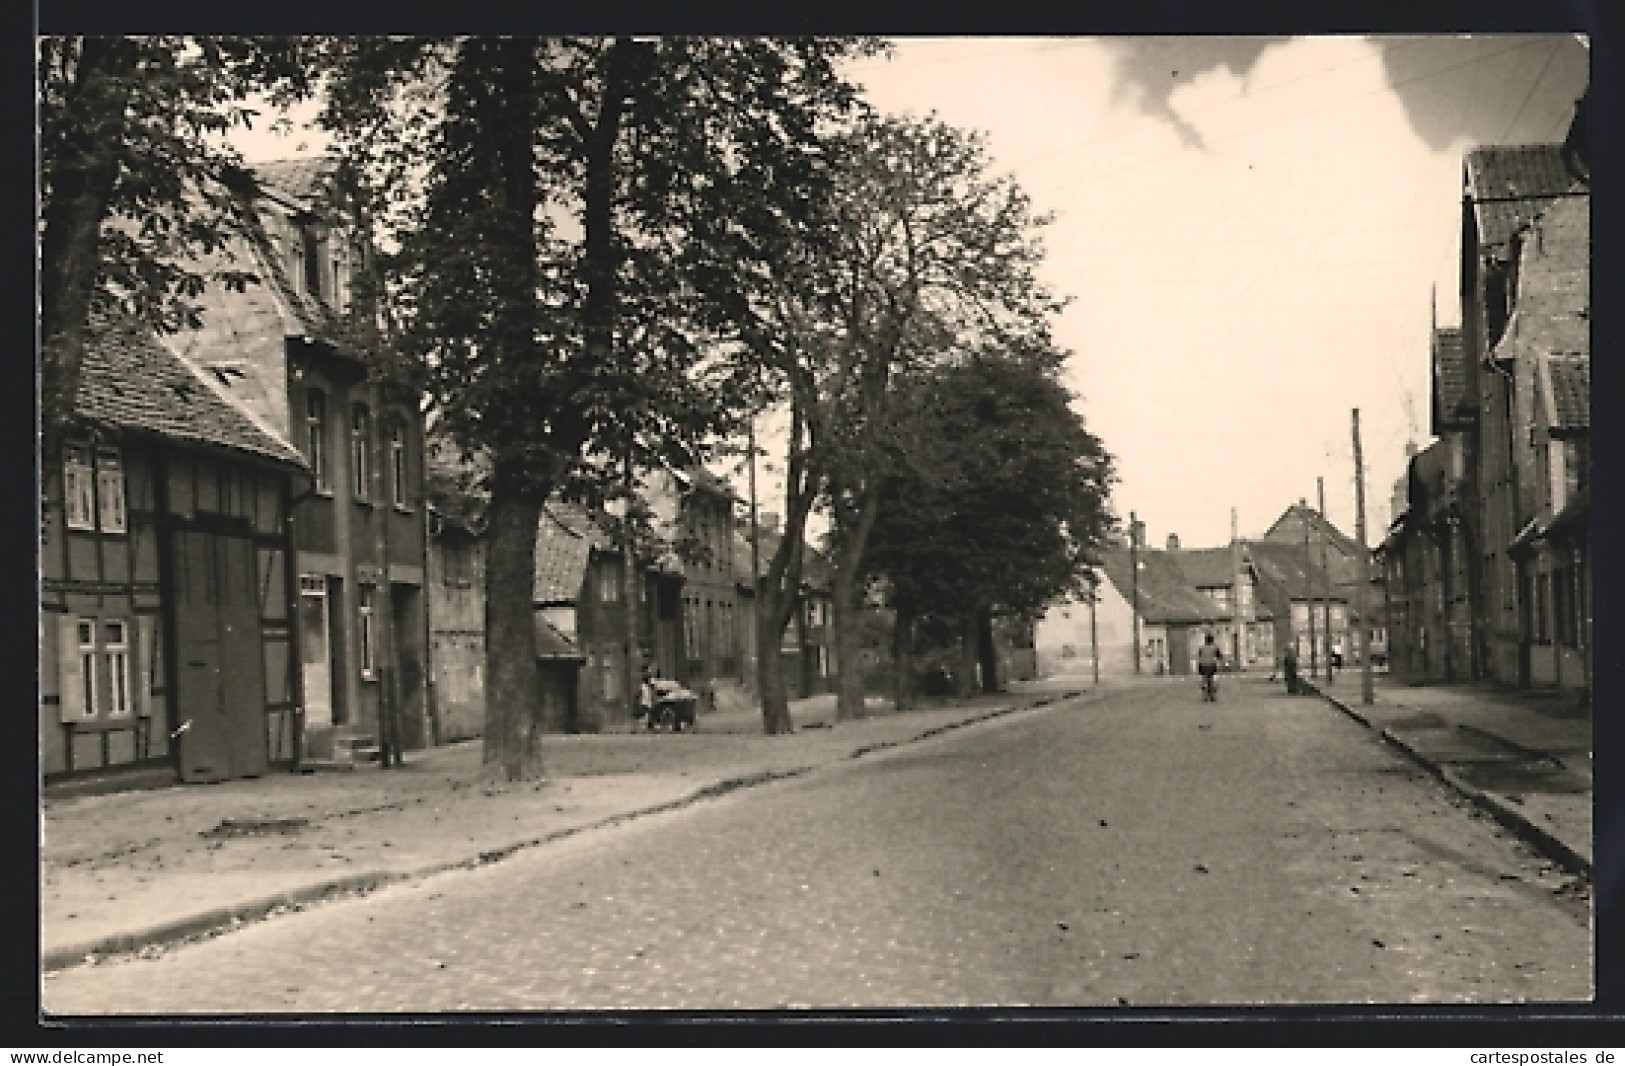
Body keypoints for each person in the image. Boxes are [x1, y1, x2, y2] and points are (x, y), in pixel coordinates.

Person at [1196, 632, 1222, 700]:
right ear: (1212, 640)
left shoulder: (1201, 647)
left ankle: (1204, 693)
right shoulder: (1215, 647)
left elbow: (1199, 655)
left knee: (1204, 678)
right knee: (1212, 679)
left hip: (1202, 665)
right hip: (1212, 665)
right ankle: (1212, 695)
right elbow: (1219, 656)